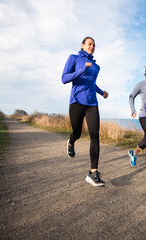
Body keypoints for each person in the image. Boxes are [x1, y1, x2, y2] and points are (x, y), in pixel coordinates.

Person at [61, 36, 108, 187]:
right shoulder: (73, 58)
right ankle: (71, 141)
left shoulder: (96, 66)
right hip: (76, 101)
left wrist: (101, 92)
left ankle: (93, 172)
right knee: (77, 133)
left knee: (95, 135)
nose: (92, 47)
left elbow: (91, 84)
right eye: (89, 44)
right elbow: (64, 78)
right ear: (82, 45)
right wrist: (83, 69)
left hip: (92, 103)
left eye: (93, 45)